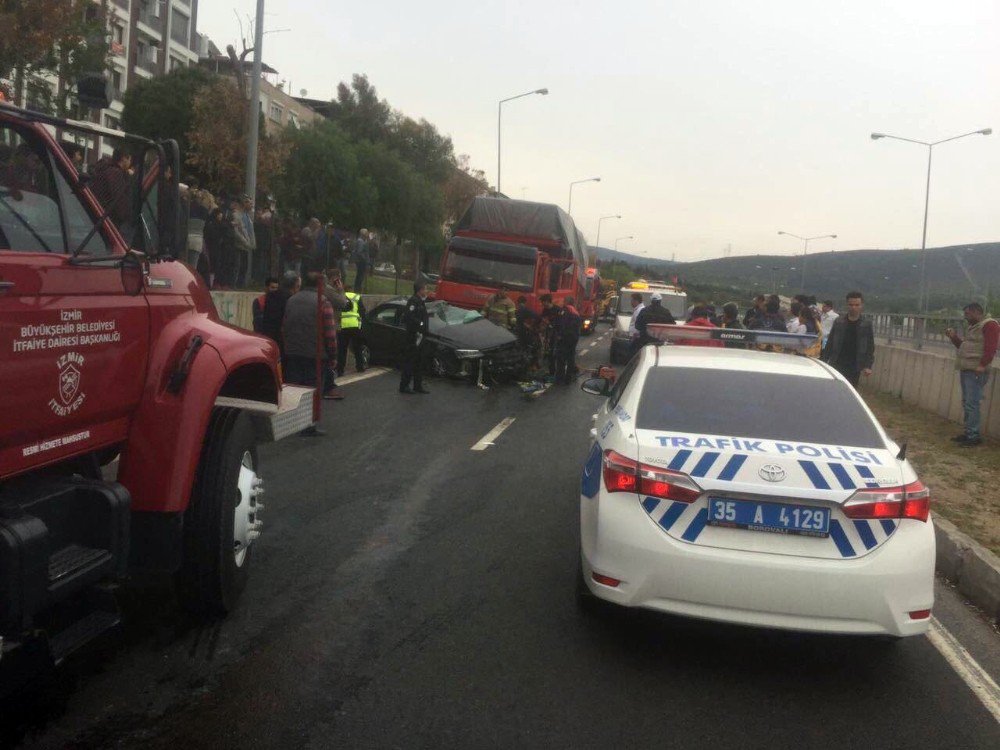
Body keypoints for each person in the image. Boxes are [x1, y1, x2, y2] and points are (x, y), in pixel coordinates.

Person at [945, 303, 999, 447]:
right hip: (967, 369)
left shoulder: (990, 325)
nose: (966, 317)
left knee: (972, 403)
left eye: (968, 314)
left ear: (977, 312)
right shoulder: (974, 327)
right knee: (967, 402)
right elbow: (964, 346)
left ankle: (973, 436)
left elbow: (991, 347)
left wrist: (982, 365)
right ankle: (969, 432)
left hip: (976, 370)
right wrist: (953, 337)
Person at [282, 272, 342, 399]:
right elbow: (330, 334)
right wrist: (333, 356)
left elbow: (285, 327)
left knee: (292, 395)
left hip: (293, 354)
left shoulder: (291, 300)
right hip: (315, 357)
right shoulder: (324, 302)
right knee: (311, 398)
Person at [822, 291, 875, 388]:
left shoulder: (866, 324)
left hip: (855, 364)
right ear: (847, 305)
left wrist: (868, 365)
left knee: (850, 388)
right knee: (835, 388)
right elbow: (830, 342)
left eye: (856, 305)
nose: (853, 307)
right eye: (851, 305)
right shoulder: (839, 322)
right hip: (837, 361)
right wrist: (824, 360)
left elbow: (870, 346)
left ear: (861, 305)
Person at [400, 281, 430, 394]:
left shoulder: (421, 302)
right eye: (425, 289)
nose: (426, 291)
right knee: (410, 361)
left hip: (421, 336)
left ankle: (417, 386)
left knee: (419, 362)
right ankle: (404, 386)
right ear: (420, 290)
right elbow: (409, 317)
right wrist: (420, 325)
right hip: (413, 336)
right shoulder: (413, 301)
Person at [90, 146, 133, 228]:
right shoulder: (116, 174)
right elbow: (120, 201)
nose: (130, 163)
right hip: (108, 222)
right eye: (129, 160)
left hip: (97, 215)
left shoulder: (105, 170)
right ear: (124, 158)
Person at [261, 271, 300, 355]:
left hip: (268, 339)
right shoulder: (292, 300)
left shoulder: (270, 296)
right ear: (294, 286)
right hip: (284, 342)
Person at [335, 282, 367, 376]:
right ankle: (360, 367)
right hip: (355, 325)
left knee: (342, 349)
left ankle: (340, 370)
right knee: (357, 347)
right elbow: (362, 311)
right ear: (352, 289)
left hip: (343, 326)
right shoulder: (357, 297)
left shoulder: (341, 297)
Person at [554, 296, 582, 384]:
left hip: (565, 337)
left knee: (561, 358)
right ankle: (568, 379)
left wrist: (560, 335)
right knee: (570, 357)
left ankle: (560, 379)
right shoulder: (576, 312)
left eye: (564, 301)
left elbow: (562, 324)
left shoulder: (565, 310)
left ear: (566, 302)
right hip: (574, 338)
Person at [514, 296, 540, 367]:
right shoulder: (527, 310)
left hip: (520, 333)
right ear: (525, 302)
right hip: (527, 333)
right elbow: (537, 316)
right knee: (532, 347)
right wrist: (531, 326)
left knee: (521, 348)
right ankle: (533, 364)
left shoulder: (517, 311)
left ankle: (522, 364)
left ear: (518, 302)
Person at [539, 294, 560, 376]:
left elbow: (560, 323)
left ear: (547, 301)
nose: (542, 304)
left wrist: (550, 324)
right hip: (549, 334)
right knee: (549, 352)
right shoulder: (545, 310)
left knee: (553, 353)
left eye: (543, 302)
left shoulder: (557, 310)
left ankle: (553, 372)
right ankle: (551, 371)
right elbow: (542, 318)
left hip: (556, 334)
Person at [353, 228, 371, 292]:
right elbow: (359, 252)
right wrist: (365, 260)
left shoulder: (363, 241)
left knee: (360, 276)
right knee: (360, 276)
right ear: (363, 234)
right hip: (361, 262)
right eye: (367, 233)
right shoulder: (360, 241)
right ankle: (357, 289)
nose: (368, 234)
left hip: (361, 261)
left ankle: (358, 288)